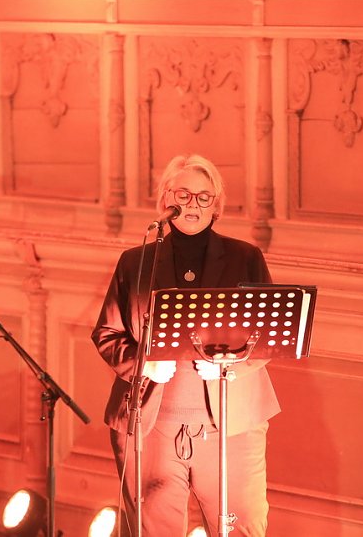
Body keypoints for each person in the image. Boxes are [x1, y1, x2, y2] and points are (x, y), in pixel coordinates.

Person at [92, 154, 280, 536]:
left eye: (204, 197)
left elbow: (268, 338)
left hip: (231, 424)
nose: (193, 204)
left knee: (240, 528)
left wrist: (230, 365)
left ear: (217, 205)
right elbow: (106, 334)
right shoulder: (135, 262)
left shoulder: (245, 258)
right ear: (166, 200)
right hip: (152, 424)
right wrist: (143, 364)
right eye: (184, 194)